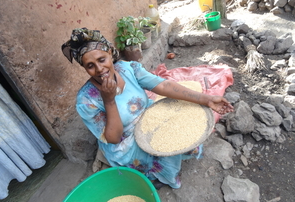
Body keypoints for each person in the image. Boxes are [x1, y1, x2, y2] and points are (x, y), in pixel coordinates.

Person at [61, 28, 233, 189]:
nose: (99, 69)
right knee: (163, 150)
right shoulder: (86, 100)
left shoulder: (128, 69)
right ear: (85, 68)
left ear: (110, 53)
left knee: (183, 131)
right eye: (90, 66)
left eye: (101, 60)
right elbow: (113, 138)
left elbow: (164, 86)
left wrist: (207, 99)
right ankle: (158, 176)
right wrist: (109, 100)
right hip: (125, 141)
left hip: (149, 117)